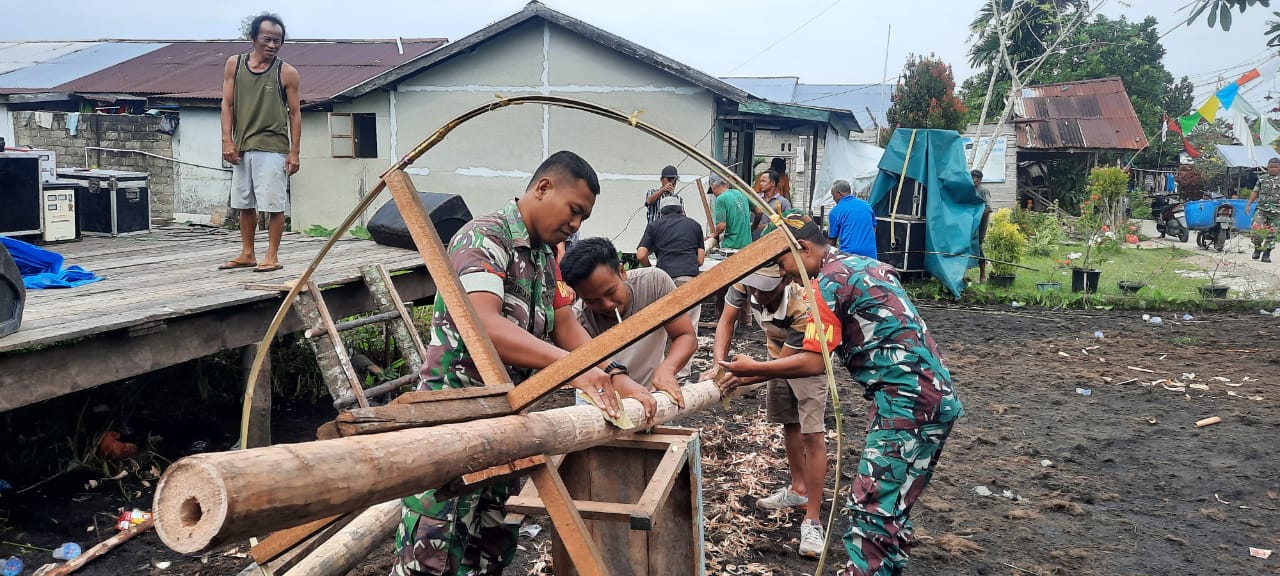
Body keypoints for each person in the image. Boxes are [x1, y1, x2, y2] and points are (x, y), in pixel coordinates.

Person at [393, 151, 657, 576]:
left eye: (583, 218)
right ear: (543, 187)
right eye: (574, 211)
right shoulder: (483, 239)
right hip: (453, 422)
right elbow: (485, 326)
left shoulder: (544, 257)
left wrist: (614, 375)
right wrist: (576, 371)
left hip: (505, 421)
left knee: (488, 550)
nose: (575, 225)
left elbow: (566, 324)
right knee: (436, 555)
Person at [717, 215, 963, 576]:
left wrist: (753, 368)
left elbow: (816, 363)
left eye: (784, 263)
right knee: (892, 506)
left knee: (870, 506)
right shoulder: (862, 265)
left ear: (802, 249)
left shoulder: (827, 284)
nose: (785, 273)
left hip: (905, 403)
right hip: (936, 399)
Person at [700, 263, 836, 559]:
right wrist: (718, 365)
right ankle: (798, 489)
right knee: (789, 423)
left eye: (767, 289)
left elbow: (777, 367)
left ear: (785, 279)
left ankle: (812, 518)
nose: (759, 295)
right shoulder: (743, 285)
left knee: (812, 435)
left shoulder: (801, 304)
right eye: (754, 288)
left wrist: (742, 376)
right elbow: (726, 322)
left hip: (806, 362)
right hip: (772, 356)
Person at [561, 237, 696, 402]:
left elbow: (685, 335)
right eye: (592, 301)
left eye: (611, 291)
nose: (607, 304)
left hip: (653, 392)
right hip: (602, 398)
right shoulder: (578, 319)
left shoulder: (654, 283)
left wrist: (667, 369)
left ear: (622, 272)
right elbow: (588, 370)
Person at [218, 13, 301, 273]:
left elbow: (295, 113)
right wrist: (227, 141)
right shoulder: (235, 64)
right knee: (244, 202)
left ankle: (272, 256)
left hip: (273, 146)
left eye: (278, 41)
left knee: (273, 204)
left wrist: (294, 152)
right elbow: (227, 104)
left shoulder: (286, 72)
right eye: (267, 39)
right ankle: (247, 253)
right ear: (253, 37)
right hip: (242, 145)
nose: (272, 45)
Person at [637, 198, 705, 359]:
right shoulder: (694, 225)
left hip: (664, 280)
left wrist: (651, 270)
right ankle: (682, 373)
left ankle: (661, 366)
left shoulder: (654, 225)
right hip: (689, 279)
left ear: (661, 212)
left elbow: (641, 254)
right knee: (689, 327)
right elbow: (700, 260)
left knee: (665, 325)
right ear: (681, 210)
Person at [825, 180, 878, 259]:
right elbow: (873, 229)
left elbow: (832, 240)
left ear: (839, 193)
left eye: (833, 195)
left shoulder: (835, 211)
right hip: (870, 254)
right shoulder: (866, 205)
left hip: (849, 256)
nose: (833, 199)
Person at [706, 174, 752, 250]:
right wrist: (754, 226)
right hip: (747, 244)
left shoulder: (720, 199)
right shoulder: (740, 193)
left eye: (713, 191)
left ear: (712, 186)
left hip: (732, 246)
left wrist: (714, 234)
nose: (714, 195)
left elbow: (721, 225)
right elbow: (759, 211)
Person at [1247, 157, 1280, 263]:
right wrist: (1248, 204)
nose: (1273, 169)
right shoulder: (1262, 178)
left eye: (1276, 167)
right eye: (1271, 167)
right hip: (1261, 210)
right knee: (1255, 230)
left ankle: (1266, 254)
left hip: (1277, 212)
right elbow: (1255, 192)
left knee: (1272, 234)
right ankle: (1257, 248)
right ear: (1267, 167)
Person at [753, 171, 792, 239]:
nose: (760, 184)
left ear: (772, 183)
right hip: (754, 240)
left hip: (773, 240)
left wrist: (768, 226)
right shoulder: (755, 199)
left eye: (763, 181)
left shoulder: (783, 202)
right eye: (760, 181)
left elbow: (788, 223)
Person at [971, 169, 994, 282]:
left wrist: (977, 216)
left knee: (978, 245)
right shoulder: (968, 190)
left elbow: (988, 208)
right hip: (969, 223)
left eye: (974, 178)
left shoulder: (983, 191)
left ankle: (983, 274)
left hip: (980, 223)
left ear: (979, 180)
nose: (972, 180)